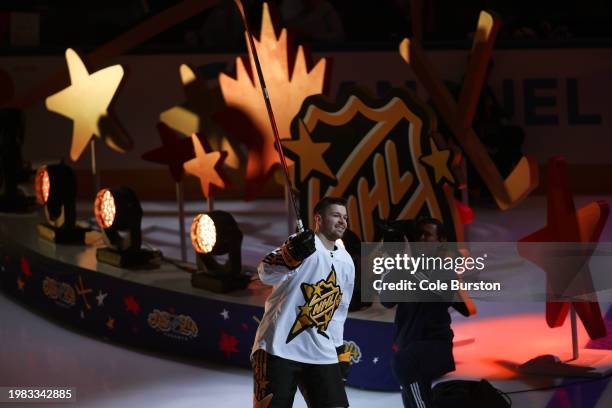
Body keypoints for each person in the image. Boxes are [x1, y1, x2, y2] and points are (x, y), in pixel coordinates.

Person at [252, 197, 355, 408]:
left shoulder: (346, 261)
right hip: (277, 348)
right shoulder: (300, 244)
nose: (342, 221)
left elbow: (338, 312)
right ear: (318, 218)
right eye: (336, 215)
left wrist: (338, 348)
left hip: (321, 352)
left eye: (345, 217)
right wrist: (290, 255)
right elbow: (265, 273)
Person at [381, 218, 463, 408]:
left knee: (403, 362)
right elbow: (387, 301)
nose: (422, 239)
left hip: (435, 345)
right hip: (408, 345)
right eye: (419, 235)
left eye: (428, 235)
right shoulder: (405, 268)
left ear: (441, 241)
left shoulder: (446, 271)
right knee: (413, 399)